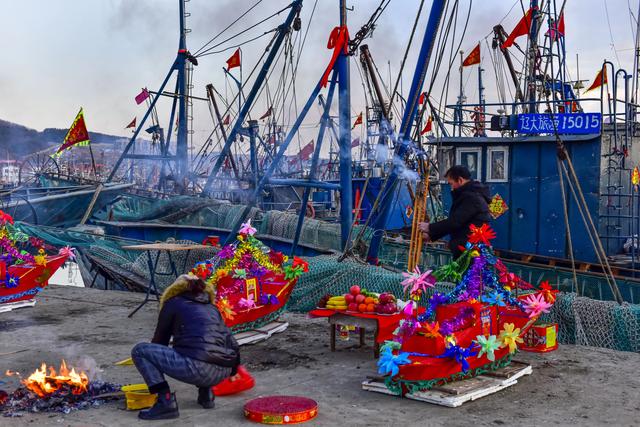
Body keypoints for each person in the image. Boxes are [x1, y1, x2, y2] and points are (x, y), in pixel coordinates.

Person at [131, 274, 240, 420]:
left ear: (174, 289)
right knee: (200, 347)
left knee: (140, 351)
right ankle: (206, 395)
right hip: (223, 372)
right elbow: (231, 342)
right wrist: (233, 371)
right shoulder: (211, 307)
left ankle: (165, 401)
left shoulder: (173, 303)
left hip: (198, 368)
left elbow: (159, 342)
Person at [419, 165, 491, 259]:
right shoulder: (470, 194)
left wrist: (429, 227)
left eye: (451, 183)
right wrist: (431, 235)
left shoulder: (472, 197)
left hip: (469, 250)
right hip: (465, 247)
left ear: (460, 180)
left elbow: (455, 222)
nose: (451, 188)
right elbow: (457, 223)